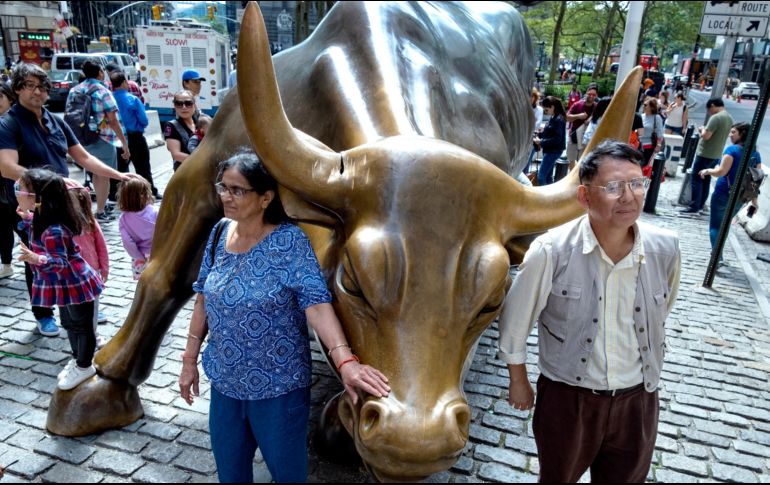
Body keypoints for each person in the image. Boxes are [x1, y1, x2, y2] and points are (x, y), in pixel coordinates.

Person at [178, 151, 390, 483]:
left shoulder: (289, 242)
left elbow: (317, 304)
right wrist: (189, 360)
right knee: (231, 475)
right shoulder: (220, 233)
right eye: (223, 187)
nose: (226, 197)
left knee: (288, 476)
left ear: (266, 198)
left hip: (279, 389)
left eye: (238, 190)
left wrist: (346, 361)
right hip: (226, 384)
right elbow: (203, 296)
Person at [498, 141, 681, 483]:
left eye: (636, 183)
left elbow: (662, 308)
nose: (628, 196)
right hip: (569, 399)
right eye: (613, 187)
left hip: (637, 399)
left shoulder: (665, 247)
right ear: (584, 196)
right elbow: (515, 321)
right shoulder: (551, 250)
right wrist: (518, 380)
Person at [0, 62, 137, 337]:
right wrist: (50, 183)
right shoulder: (9, 123)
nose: (38, 92)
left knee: (70, 254)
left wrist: (119, 175)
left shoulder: (54, 120)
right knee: (37, 258)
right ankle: (43, 313)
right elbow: (6, 166)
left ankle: (79, 303)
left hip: (62, 200)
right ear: (17, 89)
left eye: (42, 87)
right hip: (31, 203)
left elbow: (83, 157)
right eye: (30, 86)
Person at [15, 169, 104, 390]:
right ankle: (77, 359)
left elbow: (60, 262)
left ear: (36, 198)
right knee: (69, 323)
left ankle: (85, 366)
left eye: (21, 189)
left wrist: (37, 258)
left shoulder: (54, 229)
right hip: (65, 285)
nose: (16, 192)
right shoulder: (41, 217)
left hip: (75, 284)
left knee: (81, 326)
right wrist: (27, 219)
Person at [67, 61, 131, 222]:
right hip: (103, 138)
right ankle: (100, 211)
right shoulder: (103, 91)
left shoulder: (75, 90)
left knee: (94, 172)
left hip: (80, 138)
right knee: (103, 175)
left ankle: (98, 205)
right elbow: (113, 120)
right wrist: (123, 142)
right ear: (100, 73)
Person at [698, 122, 762, 252]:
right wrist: (754, 202)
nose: (730, 135)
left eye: (733, 132)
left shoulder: (731, 150)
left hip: (723, 193)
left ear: (742, 134)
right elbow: (756, 181)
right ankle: (718, 254)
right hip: (740, 197)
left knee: (716, 226)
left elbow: (721, 171)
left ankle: (717, 257)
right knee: (725, 225)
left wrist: (708, 170)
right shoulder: (756, 154)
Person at [67, 181, 109, 346]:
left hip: (91, 275)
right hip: (70, 277)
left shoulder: (89, 221)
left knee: (93, 307)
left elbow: (101, 246)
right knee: (73, 310)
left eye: (71, 201)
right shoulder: (58, 225)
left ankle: (93, 334)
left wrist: (104, 269)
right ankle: (79, 334)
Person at [111, 71, 162, 200]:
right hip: (135, 137)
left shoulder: (109, 99)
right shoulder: (132, 99)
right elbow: (144, 120)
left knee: (120, 169)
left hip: (117, 138)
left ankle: (119, 196)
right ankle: (149, 193)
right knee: (143, 167)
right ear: (123, 82)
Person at [681, 98, 733, 214]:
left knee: (697, 178)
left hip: (705, 153)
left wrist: (702, 129)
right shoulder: (729, 118)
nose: (709, 112)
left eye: (709, 109)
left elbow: (706, 136)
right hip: (716, 153)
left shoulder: (716, 118)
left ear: (713, 105)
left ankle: (694, 206)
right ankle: (700, 204)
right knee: (706, 179)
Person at [117, 177, 158, 280]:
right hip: (158, 254)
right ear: (145, 195)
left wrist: (138, 257)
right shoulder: (155, 212)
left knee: (144, 283)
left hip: (140, 256)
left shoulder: (123, 219)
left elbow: (127, 242)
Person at [0, 82, 17, 279]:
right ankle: (6, 263)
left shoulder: (13, 123)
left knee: (19, 224)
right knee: (3, 226)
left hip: (12, 185)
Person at [534, 96, 566, 186]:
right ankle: (550, 197)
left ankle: (544, 198)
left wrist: (541, 142)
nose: (545, 112)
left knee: (541, 176)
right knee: (548, 176)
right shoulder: (554, 117)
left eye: (546, 110)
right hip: (551, 150)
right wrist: (540, 134)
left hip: (553, 151)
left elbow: (557, 139)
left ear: (552, 107)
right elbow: (551, 133)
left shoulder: (558, 119)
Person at [163, 90, 196, 172]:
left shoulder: (201, 121)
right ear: (174, 106)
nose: (184, 107)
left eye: (188, 103)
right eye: (179, 104)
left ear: (194, 105)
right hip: (185, 173)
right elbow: (176, 155)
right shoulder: (171, 126)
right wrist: (202, 161)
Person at [565, 85, 597, 167]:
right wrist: (579, 116)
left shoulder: (597, 107)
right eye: (590, 94)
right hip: (574, 137)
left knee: (583, 163)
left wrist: (591, 120)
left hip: (587, 140)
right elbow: (567, 118)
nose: (591, 96)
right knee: (571, 160)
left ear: (596, 96)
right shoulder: (577, 105)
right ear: (586, 93)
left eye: (594, 95)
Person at [640, 98, 664, 168]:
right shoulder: (642, 116)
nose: (643, 106)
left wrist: (658, 145)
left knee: (644, 166)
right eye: (643, 104)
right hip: (639, 145)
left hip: (649, 146)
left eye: (645, 105)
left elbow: (660, 133)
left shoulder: (657, 117)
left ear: (651, 107)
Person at [524, 88, 543, 175]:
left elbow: (537, 124)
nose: (530, 98)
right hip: (522, 139)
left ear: (535, 97)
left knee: (527, 161)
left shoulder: (539, 109)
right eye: (529, 96)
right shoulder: (522, 108)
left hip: (531, 139)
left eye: (532, 96)